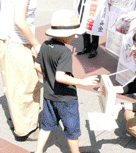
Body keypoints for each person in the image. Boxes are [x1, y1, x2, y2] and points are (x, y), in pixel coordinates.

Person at [0, 0, 56, 141]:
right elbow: (20, 21)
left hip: (10, 40)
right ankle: (26, 128)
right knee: (25, 85)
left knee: (17, 84)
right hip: (16, 42)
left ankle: (19, 119)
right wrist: (36, 44)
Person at [34, 9, 99, 153]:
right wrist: (83, 82)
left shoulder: (44, 45)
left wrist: (47, 76)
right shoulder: (64, 52)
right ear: (66, 36)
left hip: (49, 96)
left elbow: (36, 65)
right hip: (66, 98)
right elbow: (60, 77)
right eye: (73, 34)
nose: (75, 36)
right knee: (72, 130)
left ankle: (38, 151)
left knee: (46, 126)